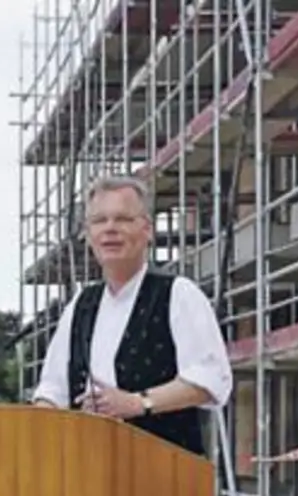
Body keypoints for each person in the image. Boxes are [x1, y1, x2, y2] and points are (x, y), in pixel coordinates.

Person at [30, 175, 232, 457]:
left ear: (147, 230)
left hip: (163, 471)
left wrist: (138, 403)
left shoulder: (178, 294)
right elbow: (52, 389)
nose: (110, 229)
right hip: (86, 471)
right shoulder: (80, 305)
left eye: (123, 219)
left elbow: (211, 379)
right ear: (88, 235)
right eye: (99, 221)